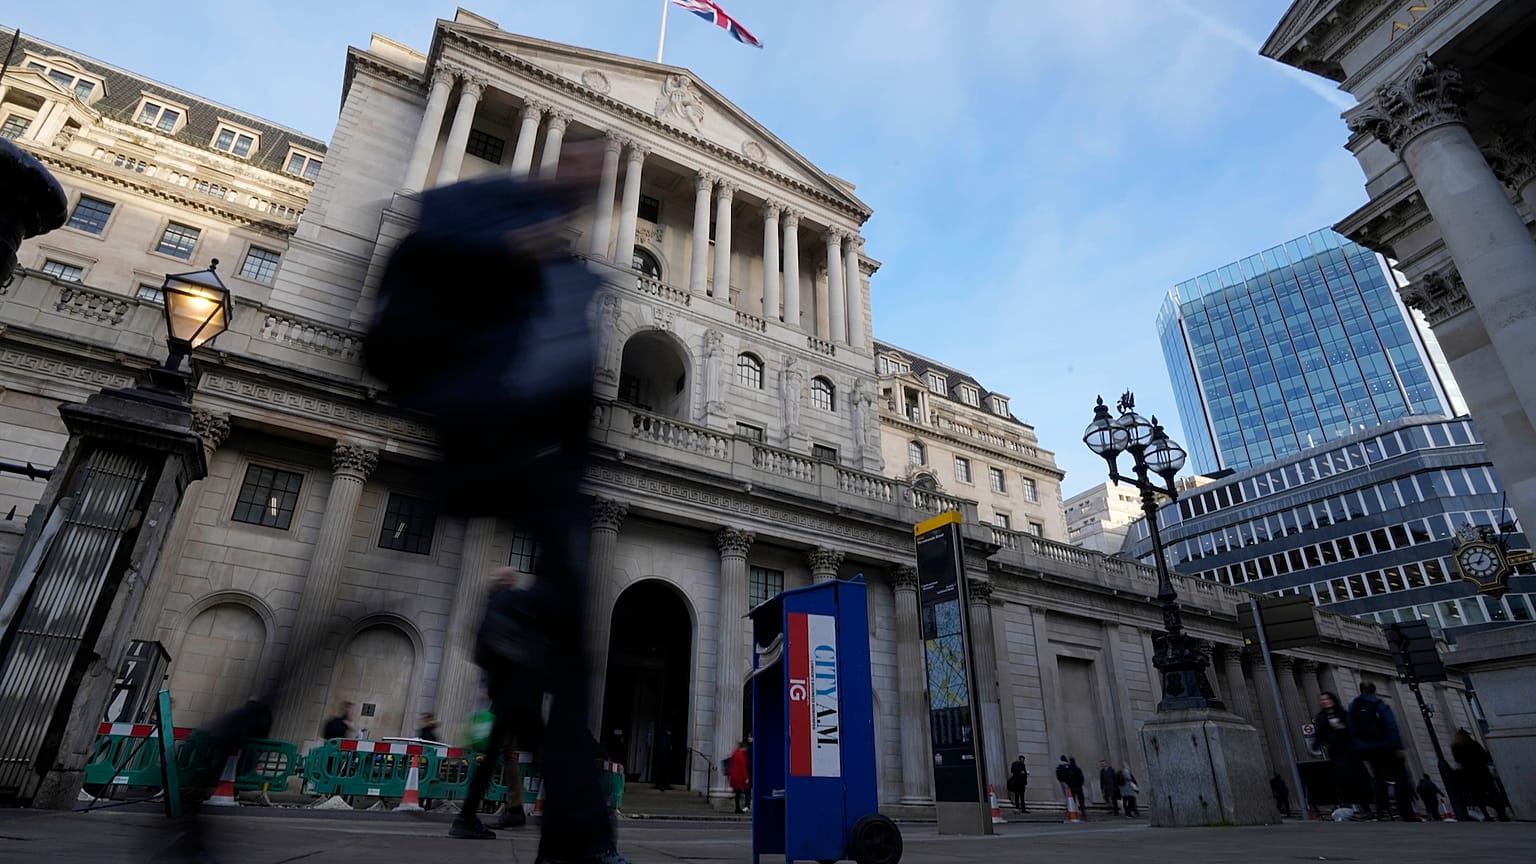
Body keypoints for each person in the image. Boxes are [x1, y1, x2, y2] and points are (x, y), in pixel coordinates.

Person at [369, 146, 627, 864]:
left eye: (599, 178)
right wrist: (511, 248)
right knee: (554, 673)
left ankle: (576, 839)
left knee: (578, 648)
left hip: (547, 458)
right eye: (581, 162)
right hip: (476, 425)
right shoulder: (483, 205)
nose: (589, 179)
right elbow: (422, 251)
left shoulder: (573, 268)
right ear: (552, 161)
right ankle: (571, 828)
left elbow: (571, 374)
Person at [451, 567, 540, 839]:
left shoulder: (492, 604)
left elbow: (479, 647)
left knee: (499, 754)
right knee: (539, 749)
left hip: (504, 692)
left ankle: (496, 811)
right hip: (517, 689)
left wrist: (489, 685)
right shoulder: (510, 602)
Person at [1347, 682, 1419, 822]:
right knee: (1400, 778)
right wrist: (1397, 746)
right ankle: (1406, 812)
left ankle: (1382, 811)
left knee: (1377, 778)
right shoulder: (1379, 704)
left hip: (1368, 748)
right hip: (1386, 746)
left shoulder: (1353, 706)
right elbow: (1391, 724)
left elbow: (1351, 729)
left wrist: (1360, 747)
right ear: (1374, 690)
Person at [1312, 691, 1368, 817]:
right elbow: (1320, 735)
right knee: (1342, 780)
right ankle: (1347, 808)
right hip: (1336, 752)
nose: (1324, 701)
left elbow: (1355, 730)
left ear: (1333, 700)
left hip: (1350, 751)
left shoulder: (1343, 714)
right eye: (1322, 700)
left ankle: (1365, 807)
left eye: (1327, 699)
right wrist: (1315, 747)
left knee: (1357, 779)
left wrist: (1343, 728)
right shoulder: (1321, 718)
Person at [1452, 727, 1509, 821]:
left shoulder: (1456, 747)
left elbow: (1458, 760)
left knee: (1478, 796)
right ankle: (1501, 813)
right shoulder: (1474, 744)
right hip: (1482, 771)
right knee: (1493, 793)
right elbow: (1484, 756)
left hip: (1469, 774)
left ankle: (1486, 815)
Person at [728, 740, 751, 814]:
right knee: (738, 793)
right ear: (743, 748)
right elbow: (743, 767)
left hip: (734, 776)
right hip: (739, 776)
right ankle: (738, 808)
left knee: (737, 793)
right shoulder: (741, 755)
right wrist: (746, 778)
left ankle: (737, 808)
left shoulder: (734, 753)